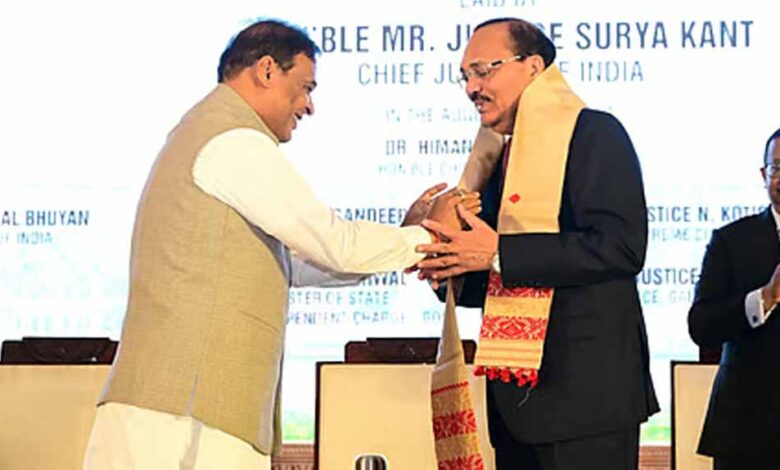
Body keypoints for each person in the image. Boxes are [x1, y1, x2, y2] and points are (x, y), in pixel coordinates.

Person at [81, 19, 476, 469]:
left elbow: (298, 261)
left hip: (184, 411)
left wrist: (407, 237)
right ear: (267, 69)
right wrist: (431, 236)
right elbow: (333, 242)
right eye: (305, 87)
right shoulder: (232, 141)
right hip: (184, 416)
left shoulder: (209, 132)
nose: (309, 106)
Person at [415, 18, 658, 469]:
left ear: (533, 67)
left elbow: (621, 247)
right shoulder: (500, 156)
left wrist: (497, 254)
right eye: (464, 76)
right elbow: (493, 276)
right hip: (516, 403)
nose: (471, 88)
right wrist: (445, 263)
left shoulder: (593, 133)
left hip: (586, 400)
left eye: (483, 71)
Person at [688, 128, 780, 469]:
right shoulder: (732, 241)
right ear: (764, 174)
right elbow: (701, 326)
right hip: (748, 428)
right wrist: (764, 298)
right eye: (779, 167)